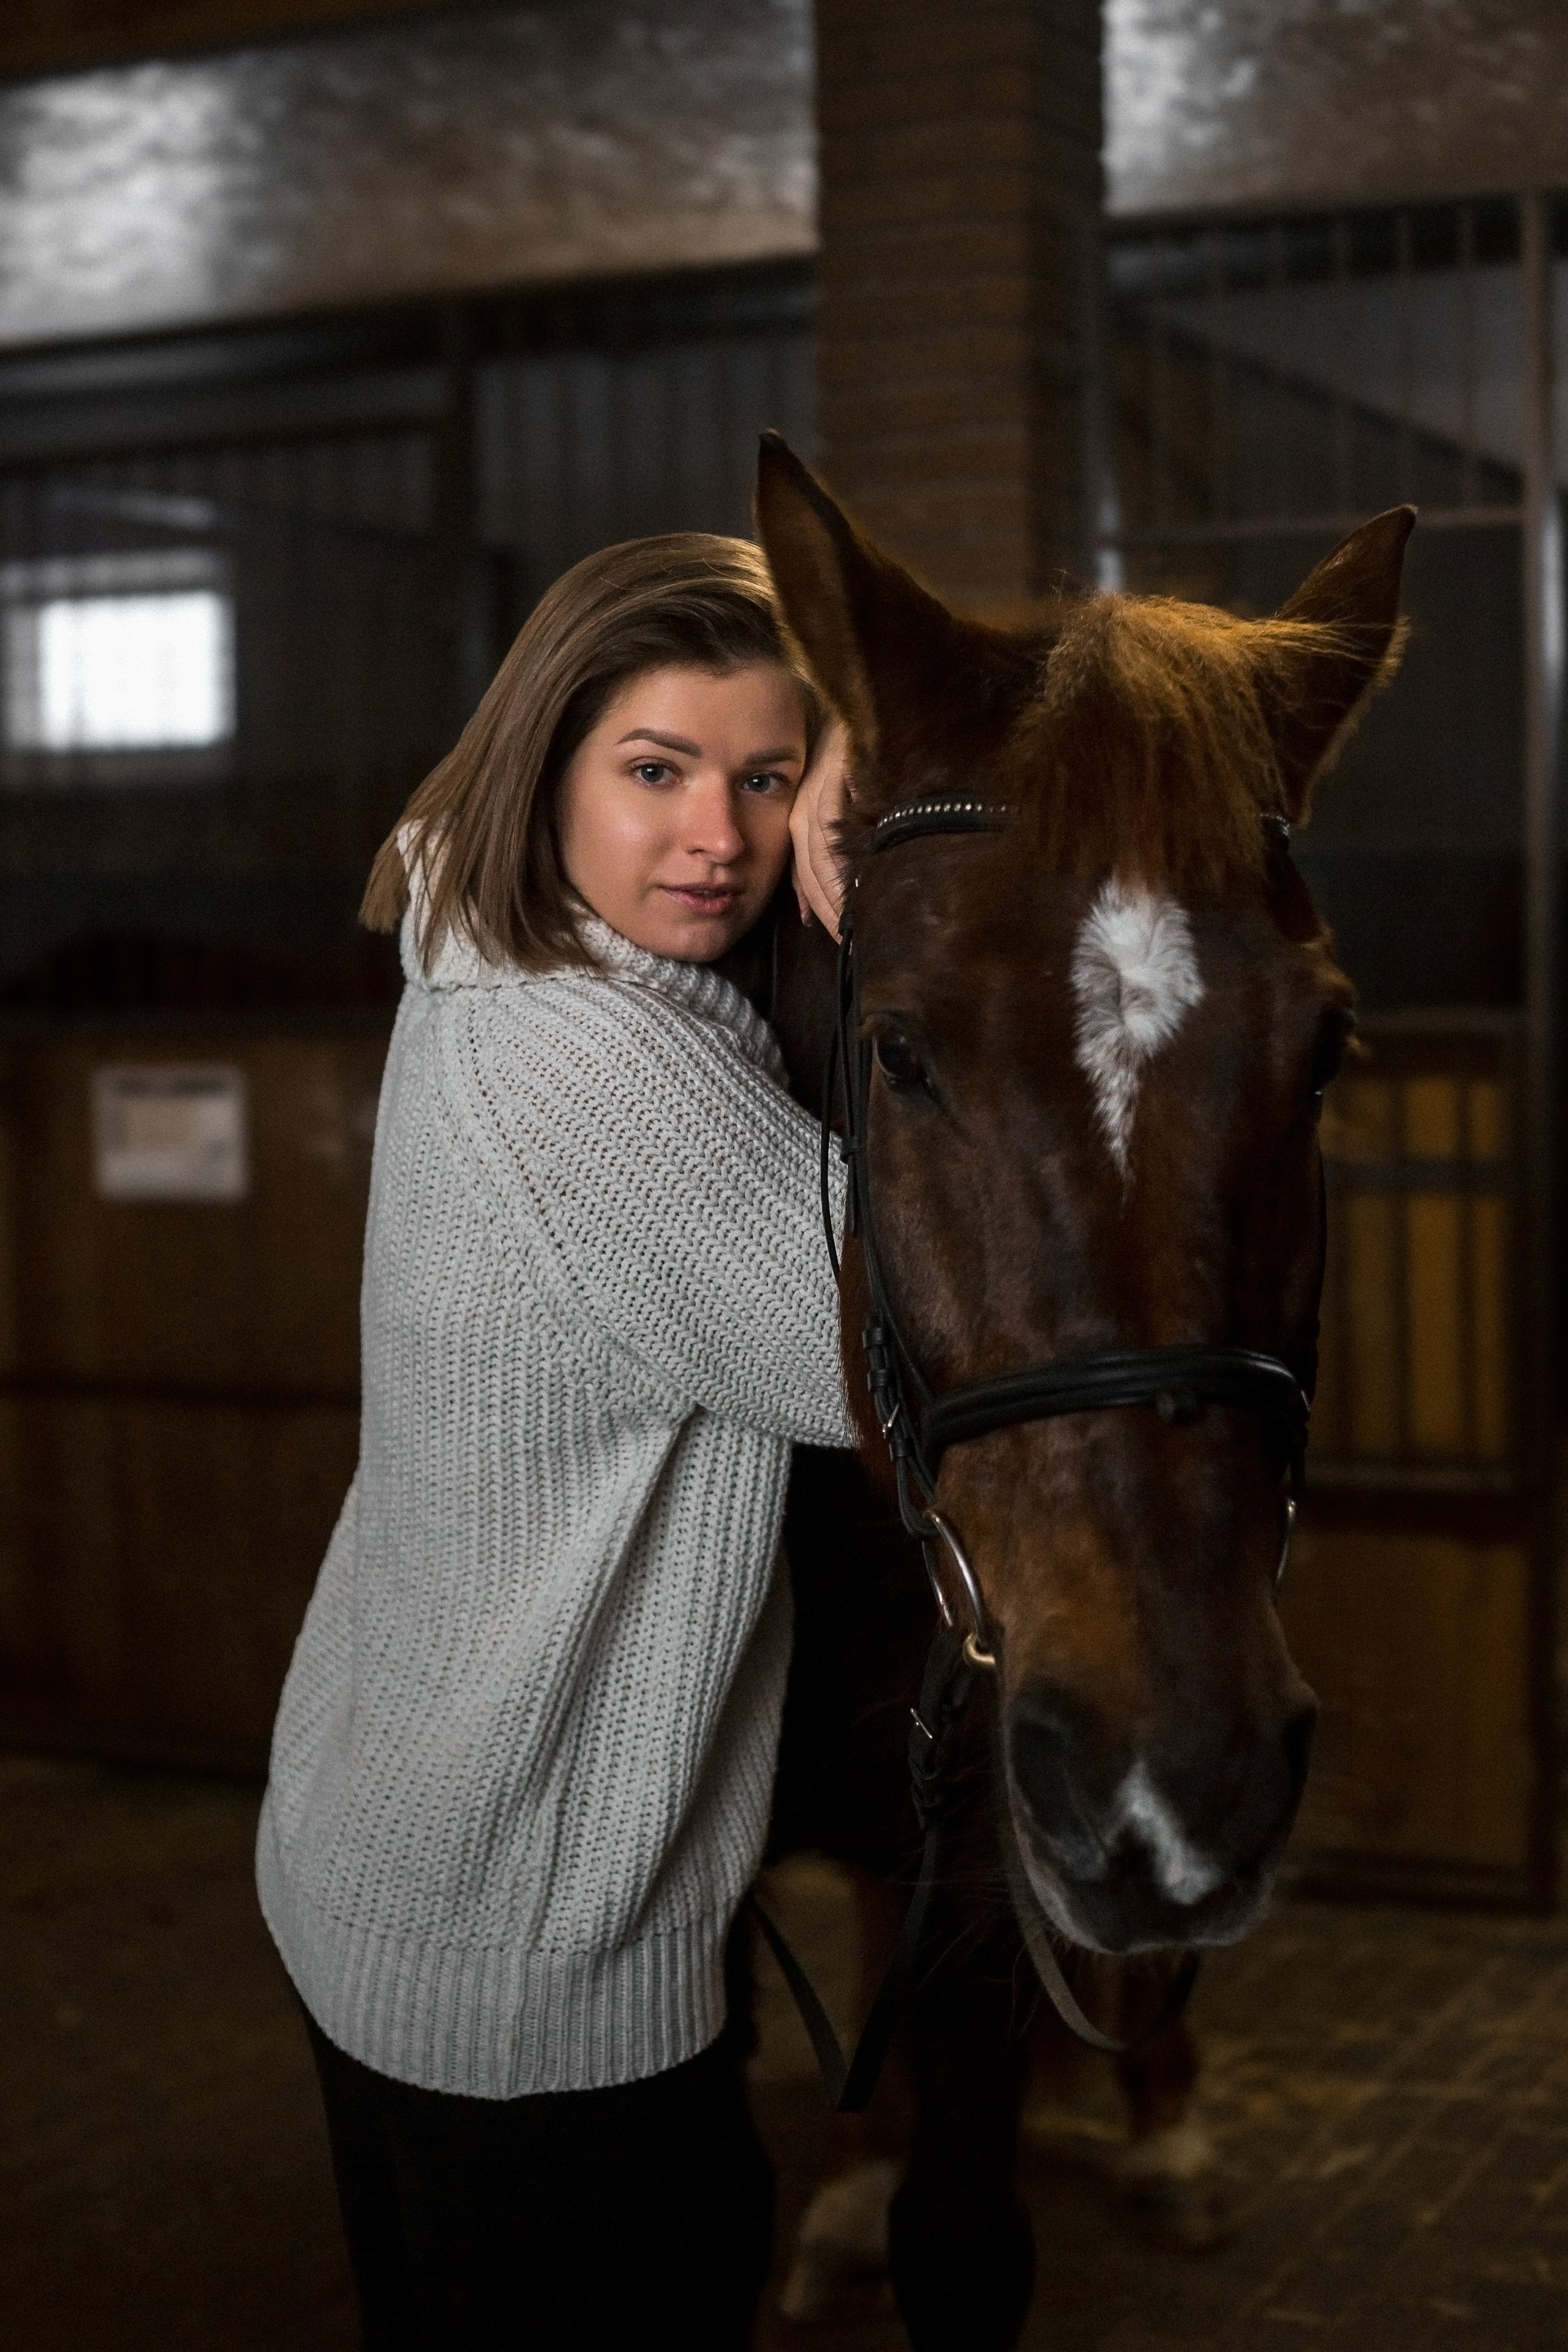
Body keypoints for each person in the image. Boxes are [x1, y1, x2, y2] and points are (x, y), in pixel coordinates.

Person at [255, 533, 851, 2350]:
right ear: (551, 763)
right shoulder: (600, 1065)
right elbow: (916, 1350)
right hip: (527, 1950)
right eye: (655, 772)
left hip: (387, 1850)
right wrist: (874, 881)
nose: (719, 842)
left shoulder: (483, 956)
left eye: (770, 782)